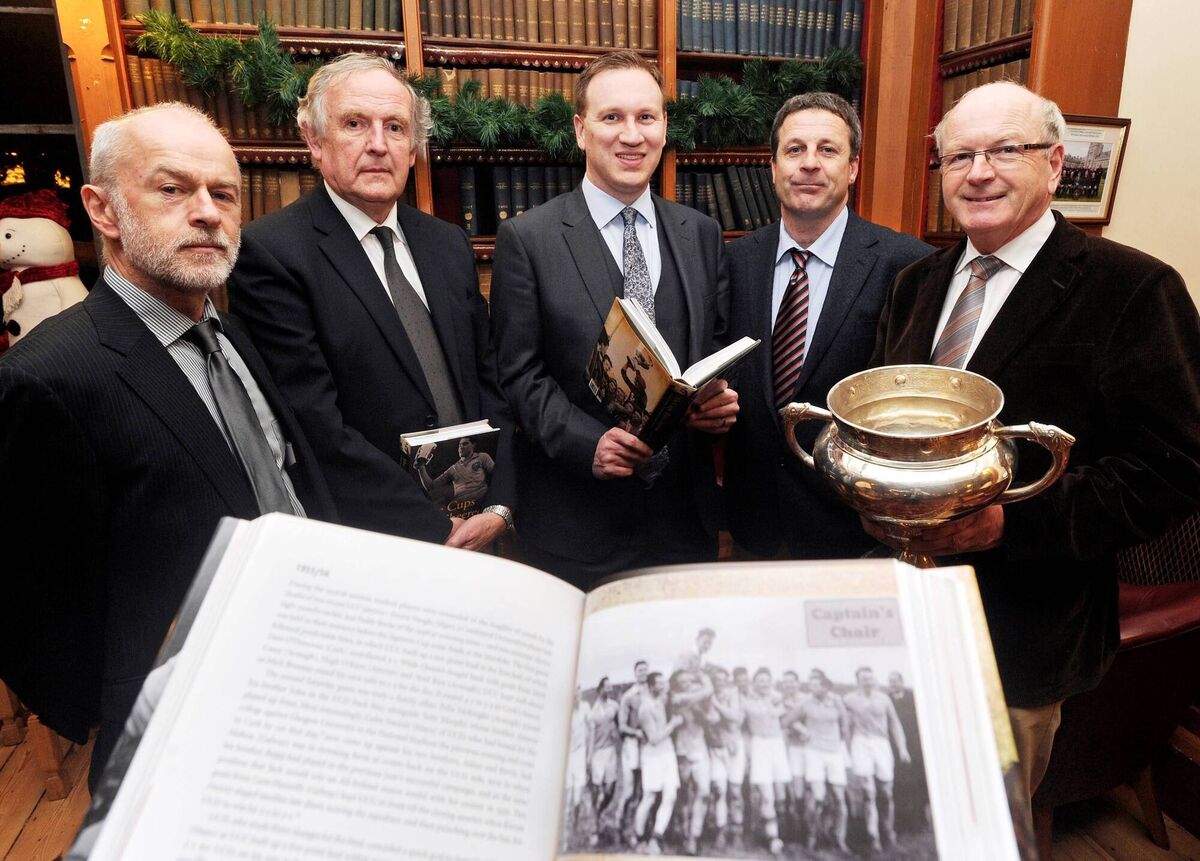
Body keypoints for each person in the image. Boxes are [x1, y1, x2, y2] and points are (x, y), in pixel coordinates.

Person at [868, 80, 1200, 803]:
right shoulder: (915, 285)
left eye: (1003, 150)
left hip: (1019, 638)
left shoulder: (1133, 290)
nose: (978, 171)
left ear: (1054, 164)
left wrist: (1005, 524)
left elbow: (1174, 469)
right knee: (890, 807)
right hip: (898, 617)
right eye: (959, 157)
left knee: (983, 823)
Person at [0, 103, 337, 785]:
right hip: (179, 740)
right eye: (172, 188)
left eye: (224, 193)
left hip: (308, 680)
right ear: (101, 208)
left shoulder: (233, 336)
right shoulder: (46, 377)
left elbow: (279, 482)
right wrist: (132, 704)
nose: (208, 212)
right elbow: (28, 606)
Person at [228, 53, 514, 553]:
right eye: (355, 124)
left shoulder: (447, 243)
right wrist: (434, 528)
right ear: (314, 141)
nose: (378, 145)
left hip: (481, 525)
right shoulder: (272, 253)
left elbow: (490, 383)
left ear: (413, 149)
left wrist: (499, 506)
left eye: (396, 128)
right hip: (372, 540)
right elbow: (315, 426)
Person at [490, 50, 739, 589]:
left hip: (684, 525)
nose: (632, 135)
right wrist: (589, 443)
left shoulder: (700, 233)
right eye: (612, 118)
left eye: (646, 117)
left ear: (664, 127)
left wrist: (716, 397)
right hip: (576, 525)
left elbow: (714, 344)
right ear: (581, 131)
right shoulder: (528, 240)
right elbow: (518, 374)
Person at [724, 92, 932, 560]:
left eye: (828, 150)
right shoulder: (734, 261)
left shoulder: (907, 264)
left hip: (854, 533)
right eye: (794, 150)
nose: (809, 164)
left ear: (853, 168)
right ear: (773, 167)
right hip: (752, 527)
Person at [844, 666, 910, 852]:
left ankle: (888, 831)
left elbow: (895, 724)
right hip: (861, 743)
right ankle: (873, 836)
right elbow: (843, 724)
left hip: (881, 743)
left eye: (870, 678)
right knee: (868, 791)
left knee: (886, 792)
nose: (868, 681)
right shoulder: (849, 699)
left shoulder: (884, 698)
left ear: (874, 680)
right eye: (864, 678)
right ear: (857, 681)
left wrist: (902, 748)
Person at [793, 669, 850, 852]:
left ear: (825, 687)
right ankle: (812, 837)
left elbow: (845, 724)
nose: (811, 687)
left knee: (839, 798)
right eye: (810, 683)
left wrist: (843, 747)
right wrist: (802, 729)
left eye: (815, 684)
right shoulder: (805, 703)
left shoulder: (836, 701)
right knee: (817, 797)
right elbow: (787, 720)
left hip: (834, 753)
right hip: (814, 753)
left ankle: (839, 838)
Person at [634, 671, 685, 855]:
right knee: (649, 798)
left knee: (670, 796)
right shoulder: (645, 709)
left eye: (664, 683)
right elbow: (654, 738)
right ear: (650, 685)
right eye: (659, 684)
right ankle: (639, 838)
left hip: (668, 754)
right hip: (653, 756)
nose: (663, 687)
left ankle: (656, 837)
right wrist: (674, 724)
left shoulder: (661, 700)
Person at [742, 667, 791, 855]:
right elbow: (742, 725)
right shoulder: (747, 702)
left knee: (781, 796)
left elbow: (789, 719)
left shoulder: (778, 698)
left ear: (771, 682)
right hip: (759, 746)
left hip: (777, 746)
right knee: (766, 795)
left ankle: (780, 831)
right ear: (754, 684)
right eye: (760, 681)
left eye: (766, 680)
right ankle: (773, 838)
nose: (764, 684)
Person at [707, 666, 746, 850]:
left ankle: (737, 830)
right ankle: (721, 830)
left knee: (736, 792)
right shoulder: (706, 696)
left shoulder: (733, 694)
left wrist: (717, 705)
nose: (719, 682)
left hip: (735, 749)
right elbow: (710, 720)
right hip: (716, 749)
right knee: (720, 790)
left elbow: (735, 717)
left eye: (723, 679)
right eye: (716, 679)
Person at [887, 670, 928, 833]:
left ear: (901, 682)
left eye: (896, 681)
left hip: (915, 746)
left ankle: (920, 819)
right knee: (899, 784)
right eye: (890, 682)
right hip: (895, 746)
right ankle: (900, 821)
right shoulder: (887, 699)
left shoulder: (913, 698)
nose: (893, 684)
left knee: (918, 783)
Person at [616, 660, 649, 843]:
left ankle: (639, 831)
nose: (643, 673)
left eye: (645, 669)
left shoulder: (652, 694)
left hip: (649, 747)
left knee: (644, 791)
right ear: (635, 673)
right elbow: (621, 726)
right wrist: (636, 732)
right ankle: (619, 825)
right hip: (632, 746)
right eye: (640, 670)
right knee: (629, 790)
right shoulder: (629, 696)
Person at [586, 676, 621, 846]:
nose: (610, 689)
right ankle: (594, 829)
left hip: (611, 752)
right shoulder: (593, 712)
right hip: (598, 754)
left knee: (610, 790)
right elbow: (591, 738)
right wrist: (589, 759)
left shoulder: (615, 706)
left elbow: (618, 725)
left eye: (610, 687)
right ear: (600, 689)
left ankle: (600, 812)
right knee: (595, 792)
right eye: (606, 687)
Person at [416, 435, 494, 509]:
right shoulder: (453, 469)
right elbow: (431, 487)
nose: (461, 447)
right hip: (461, 505)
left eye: (465, 444)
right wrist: (421, 465)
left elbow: (495, 474)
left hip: (482, 499)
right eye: (459, 445)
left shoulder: (482, 457)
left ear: (473, 445)